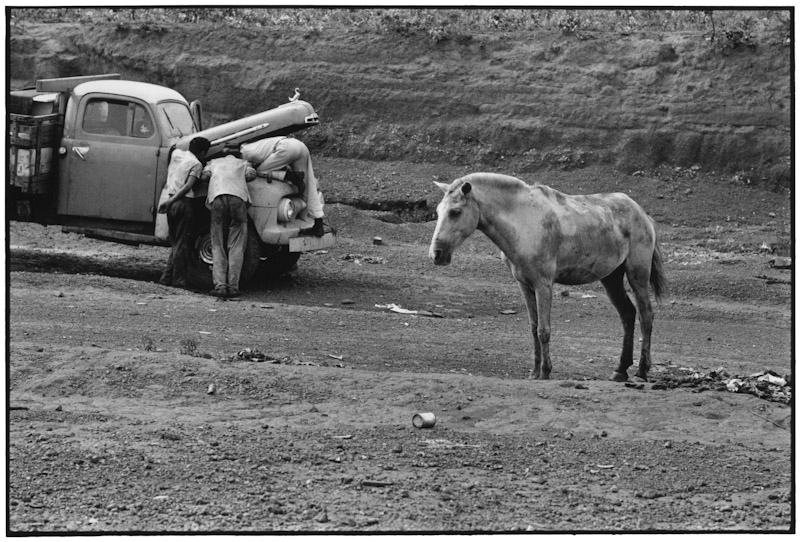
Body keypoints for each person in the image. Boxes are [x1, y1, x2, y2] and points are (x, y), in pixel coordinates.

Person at [240, 136, 326, 237]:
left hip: (286, 148)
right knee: (308, 185)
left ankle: (289, 175)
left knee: (260, 171)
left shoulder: (245, 152)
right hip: (299, 145)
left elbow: (249, 171)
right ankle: (318, 223)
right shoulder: (258, 144)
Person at [203, 145, 257, 298]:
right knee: (237, 244)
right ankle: (233, 287)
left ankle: (220, 286)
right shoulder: (243, 163)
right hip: (238, 200)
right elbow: (252, 175)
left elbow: (204, 176)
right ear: (238, 154)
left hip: (218, 198)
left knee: (217, 242)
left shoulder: (213, 162)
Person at [158, 137, 211, 288]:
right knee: (182, 244)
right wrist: (173, 200)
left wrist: (169, 201)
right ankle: (178, 280)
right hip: (183, 203)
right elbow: (188, 186)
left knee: (175, 242)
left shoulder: (177, 155)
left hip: (170, 201)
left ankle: (166, 277)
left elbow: (175, 148)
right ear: (202, 152)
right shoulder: (196, 164)